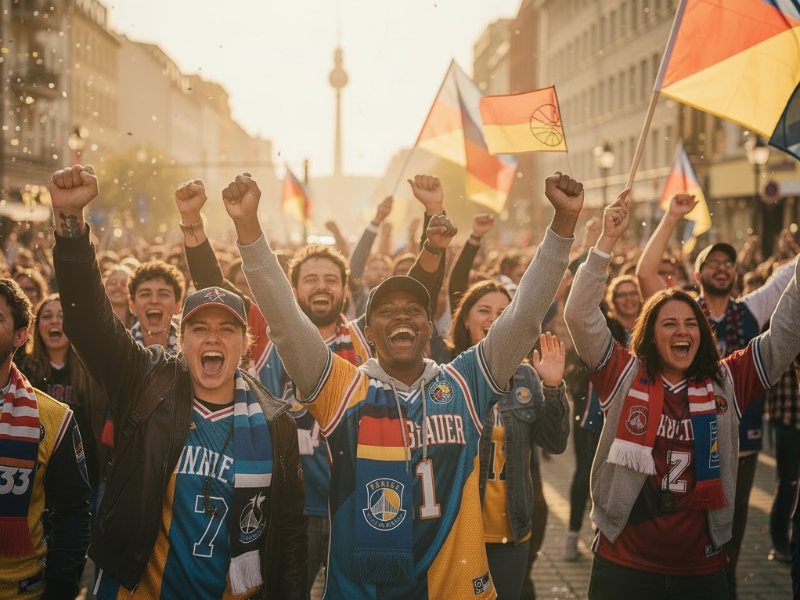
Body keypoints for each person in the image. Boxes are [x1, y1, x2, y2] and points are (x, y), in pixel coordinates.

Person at [224, 170, 581, 597]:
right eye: (386, 311)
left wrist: (563, 224)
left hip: (451, 588)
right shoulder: (344, 389)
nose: (401, 317)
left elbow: (524, 315)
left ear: (429, 326)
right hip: (362, 590)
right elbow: (284, 318)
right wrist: (248, 227)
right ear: (368, 333)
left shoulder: (464, 383)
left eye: (413, 309)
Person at [49, 164, 307, 599]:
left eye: (226, 330)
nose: (212, 337)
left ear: (245, 344)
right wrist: (71, 226)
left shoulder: (272, 421)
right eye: (199, 328)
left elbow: (290, 534)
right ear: (180, 339)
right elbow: (88, 322)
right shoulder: (148, 382)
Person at [565, 189, 800, 599]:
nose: (681, 331)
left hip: (701, 567)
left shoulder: (728, 380)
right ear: (650, 335)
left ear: (703, 335)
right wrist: (604, 243)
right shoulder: (622, 373)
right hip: (624, 563)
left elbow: (783, 336)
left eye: (691, 323)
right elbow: (579, 315)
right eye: (668, 323)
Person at [174, 177, 370, 593]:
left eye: (331, 279)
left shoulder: (365, 338)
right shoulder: (266, 334)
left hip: (349, 505)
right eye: (311, 278)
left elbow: (415, 310)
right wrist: (193, 225)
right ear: (292, 289)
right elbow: (216, 288)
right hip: (282, 501)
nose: (321, 286)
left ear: (344, 289)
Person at [636, 192, 799, 597]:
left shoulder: (751, 310)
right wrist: (672, 217)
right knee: (684, 528)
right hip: (687, 441)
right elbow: (645, 273)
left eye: (728, 263)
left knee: (729, 536)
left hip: (741, 449)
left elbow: (789, 281)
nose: (722, 269)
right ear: (699, 272)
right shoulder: (680, 313)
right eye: (713, 263)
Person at [448, 280, 570, 599]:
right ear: (465, 319)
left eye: (504, 313)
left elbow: (554, 444)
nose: (494, 319)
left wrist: (554, 387)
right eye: (484, 310)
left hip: (511, 532)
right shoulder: (447, 376)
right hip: (457, 532)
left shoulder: (527, 376)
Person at [0, 279, 92, 599]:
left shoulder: (54, 418)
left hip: (23, 589)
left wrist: (61, 589)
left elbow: (72, 514)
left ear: (20, 335)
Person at [19, 294, 110, 512]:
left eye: (62, 316)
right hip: (36, 471)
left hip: (83, 470)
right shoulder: (23, 371)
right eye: (47, 316)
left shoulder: (91, 370)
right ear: (37, 326)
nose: (54, 321)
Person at [127, 260, 185, 354]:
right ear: (132, 304)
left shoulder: (188, 352)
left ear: (177, 305)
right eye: (145, 294)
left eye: (163, 294)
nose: (154, 301)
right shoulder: (119, 350)